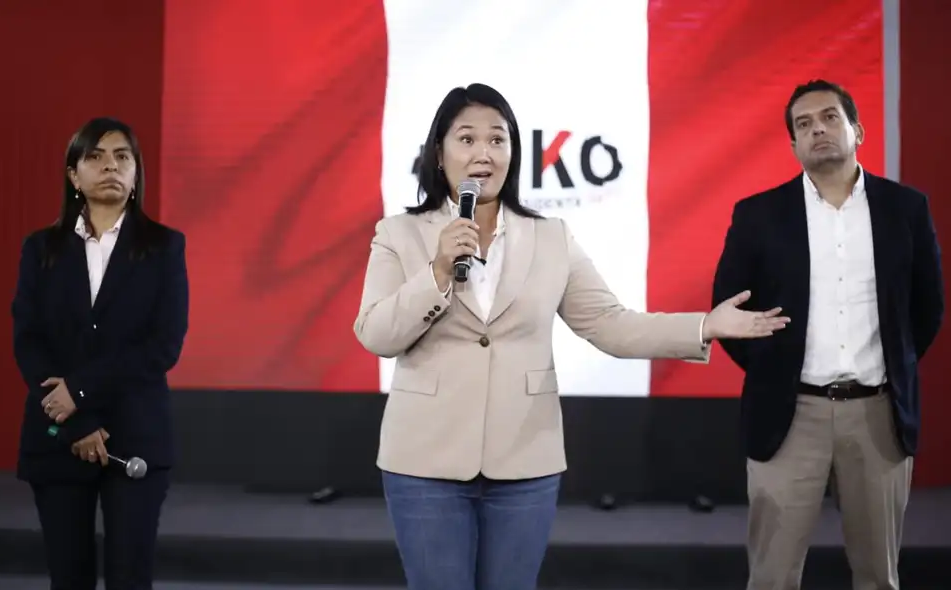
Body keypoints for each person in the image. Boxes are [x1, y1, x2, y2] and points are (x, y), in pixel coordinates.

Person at [353, 82, 790, 590]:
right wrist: (438, 271)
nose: (483, 153)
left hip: (523, 464)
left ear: (514, 154)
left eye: (498, 139)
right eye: (466, 139)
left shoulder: (550, 236)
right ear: (439, 153)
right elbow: (377, 334)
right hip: (423, 463)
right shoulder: (399, 234)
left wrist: (703, 325)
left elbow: (610, 324)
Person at [711, 79, 944, 590]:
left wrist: (889, 368)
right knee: (771, 577)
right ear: (793, 144)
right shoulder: (758, 215)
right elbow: (729, 313)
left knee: (878, 577)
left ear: (857, 130)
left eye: (830, 117)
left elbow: (926, 311)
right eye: (804, 124)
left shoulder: (906, 209)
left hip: (878, 415)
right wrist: (777, 368)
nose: (818, 128)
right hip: (790, 415)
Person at [11, 117, 190, 590]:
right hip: (57, 434)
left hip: (136, 434)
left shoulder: (165, 248)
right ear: (74, 175)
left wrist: (81, 391)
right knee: (68, 577)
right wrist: (77, 421)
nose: (110, 166)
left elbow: (163, 345)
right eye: (95, 156)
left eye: (122, 157)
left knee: (130, 578)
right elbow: (28, 340)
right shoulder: (41, 249)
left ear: (136, 174)